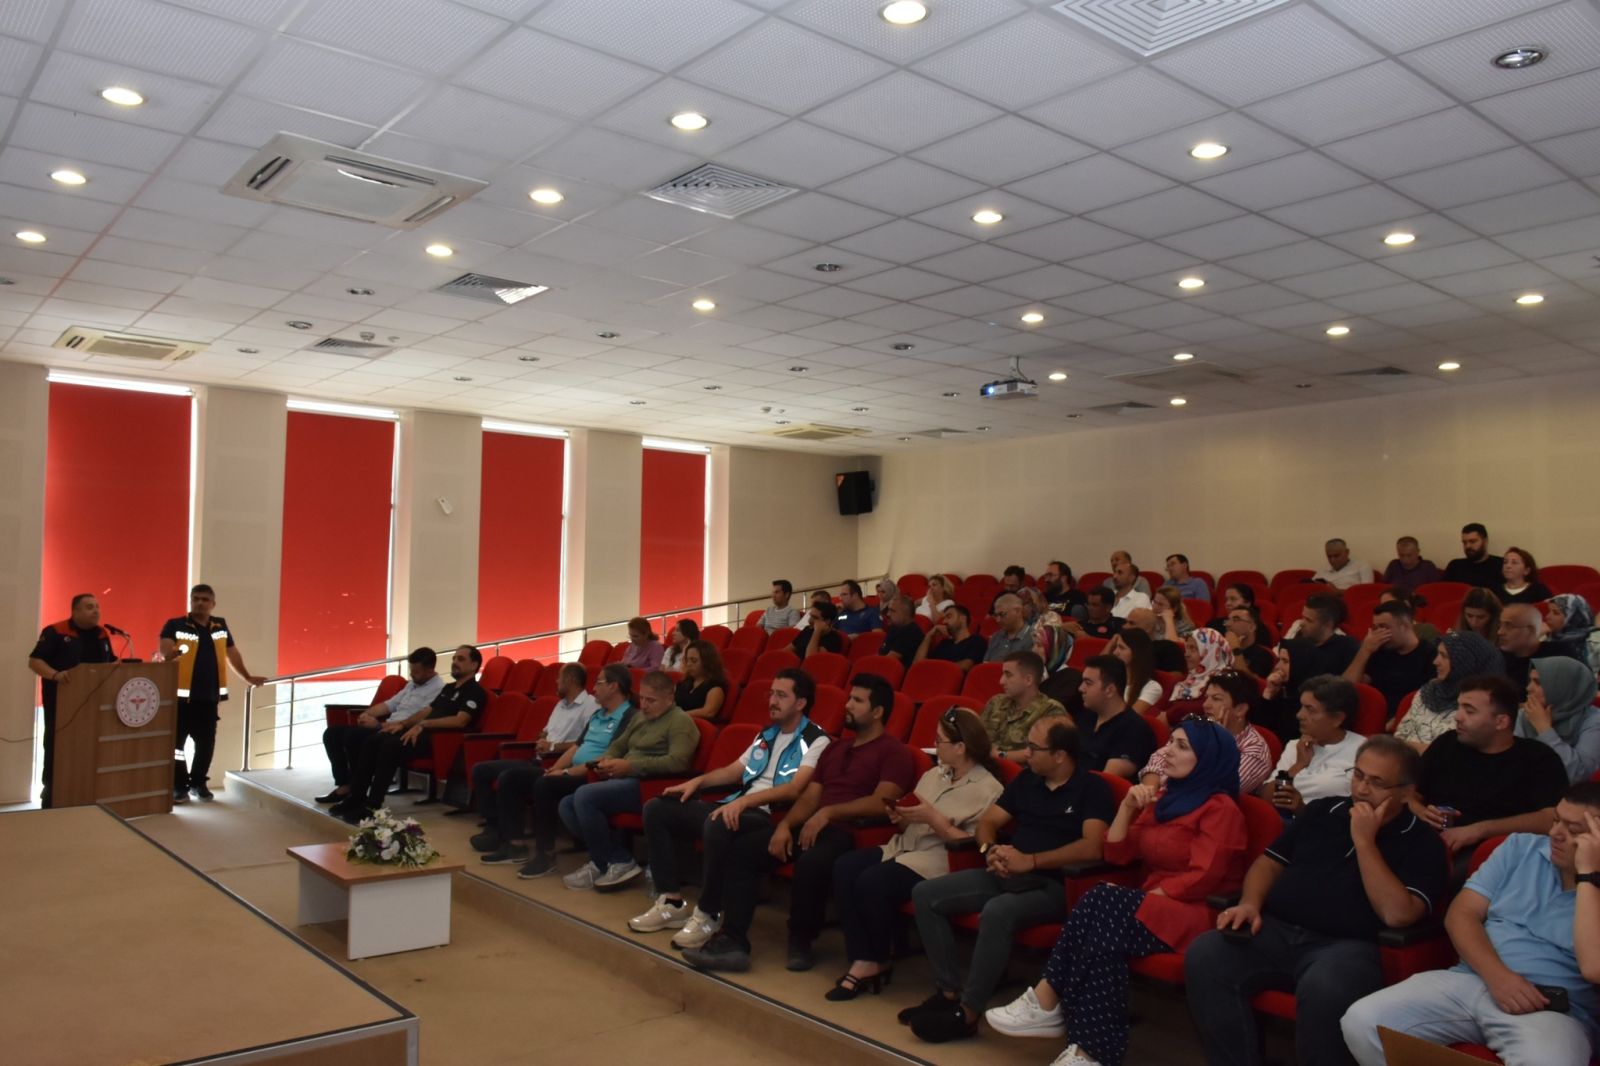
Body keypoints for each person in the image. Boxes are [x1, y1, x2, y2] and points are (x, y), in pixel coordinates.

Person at [988, 719, 1249, 1066]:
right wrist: (1127, 806)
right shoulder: (1165, 799)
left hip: (1195, 912)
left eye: (1182, 746)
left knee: (1103, 903)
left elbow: (1204, 877)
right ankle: (1088, 1052)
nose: (1168, 751)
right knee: (1104, 934)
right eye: (1170, 742)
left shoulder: (1221, 809)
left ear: (1208, 757)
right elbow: (1117, 852)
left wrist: (1147, 898)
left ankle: (1049, 1002)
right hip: (1150, 904)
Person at [1186, 735, 1448, 1066]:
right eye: (1358, 775)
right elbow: (1269, 863)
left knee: (1326, 985)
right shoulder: (1323, 810)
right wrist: (1250, 903)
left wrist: (1364, 841)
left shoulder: (1423, 842)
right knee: (1207, 953)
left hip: (1348, 947)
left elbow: (1398, 915)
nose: (1362, 789)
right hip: (1278, 930)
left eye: (1377, 783)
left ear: (1407, 792)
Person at [1342, 781, 1600, 1066]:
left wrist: (1587, 874)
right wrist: (1498, 977)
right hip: (1472, 979)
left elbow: (1594, 967)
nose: (1554, 833)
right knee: (1362, 1020)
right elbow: (1460, 915)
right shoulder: (1519, 848)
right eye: (1556, 821)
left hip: (1550, 1008)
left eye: (1573, 829)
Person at [903, 714, 1116, 1044]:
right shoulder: (1028, 780)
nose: (1025, 754)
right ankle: (947, 992)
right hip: (1007, 871)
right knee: (926, 894)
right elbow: (988, 822)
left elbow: (1092, 848)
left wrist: (1031, 861)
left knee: (998, 911)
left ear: (1060, 755)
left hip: (1055, 885)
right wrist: (990, 851)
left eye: (1034, 748)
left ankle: (968, 1013)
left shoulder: (1092, 788)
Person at [683, 673, 915, 973]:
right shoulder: (836, 748)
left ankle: (801, 940)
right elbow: (810, 797)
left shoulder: (894, 752)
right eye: (849, 698)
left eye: (857, 700)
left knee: (812, 862)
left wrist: (828, 813)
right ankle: (732, 941)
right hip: (811, 825)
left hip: (853, 833)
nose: (847, 705)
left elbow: (883, 802)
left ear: (878, 711)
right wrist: (784, 826)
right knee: (742, 851)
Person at [629, 668, 829, 947]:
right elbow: (734, 771)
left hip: (767, 815)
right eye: (771, 693)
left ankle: (708, 912)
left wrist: (745, 801)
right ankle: (671, 902)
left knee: (718, 821)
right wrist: (697, 782)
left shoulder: (817, 739)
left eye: (781, 695)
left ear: (801, 703)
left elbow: (795, 788)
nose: (772, 701)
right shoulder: (767, 734)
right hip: (735, 806)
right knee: (657, 808)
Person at [827, 707, 1003, 1000]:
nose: (935, 746)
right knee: (845, 867)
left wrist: (934, 819)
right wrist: (901, 815)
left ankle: (876, 959)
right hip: (904, 846)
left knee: (872, 881)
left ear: (960, 747)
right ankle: (863, 955)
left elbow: (972, 844)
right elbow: (911, 818)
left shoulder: (988, 789)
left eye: (940, 741)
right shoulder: (934, 774)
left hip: (937, 858)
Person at [473, 664, 634, 874]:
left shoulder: (628, 716)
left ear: (613, 686)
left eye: (598, 683)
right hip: (571, 770)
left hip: (596, 776)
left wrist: (564, 773)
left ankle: (545, 855)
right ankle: (514, 845)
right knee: (511, 778)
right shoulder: (598, 715)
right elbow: (577, 746)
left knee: (545, 785)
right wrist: (555, 769)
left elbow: (609, 756)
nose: (594, 688)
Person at [559, 669, 699, 891]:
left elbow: (678, 763)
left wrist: (631, 766)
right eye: (642, 698)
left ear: (669, 698)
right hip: (626, 779)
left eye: (651, 700)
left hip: (651, 787)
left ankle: (612, 862)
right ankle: (611, 859)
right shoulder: (640, 717)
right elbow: (618, 745)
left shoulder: (680, 721)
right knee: (567, 804)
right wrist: (607, 761)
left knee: (585, 796)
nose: (644, 705)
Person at [1410, 674, 1566, 863]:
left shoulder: (1538, 758)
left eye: (1469, 711)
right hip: (1427, 837)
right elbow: (1408, 794)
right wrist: (1421, 811)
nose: (1457, 717)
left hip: (1495, 853)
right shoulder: (1447, 743)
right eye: (1459, 707)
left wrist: (1480, 830)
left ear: (1501, 722)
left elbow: (1551, 819)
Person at [331, 645, 486, 824]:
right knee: (374, 740)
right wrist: (403, 724)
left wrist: (424, 724)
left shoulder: (475, 691)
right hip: (419, 732)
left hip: (439, 740)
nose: (455, 662)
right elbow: (427, 710)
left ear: (474, 665)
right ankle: (356, 797)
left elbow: (461, 721)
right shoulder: (449, 688)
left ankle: (373, 805)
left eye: (461, 659)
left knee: (389, 746)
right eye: (454, 658)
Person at [159, 583, 266, 803]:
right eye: (196, 598)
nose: (200, 603)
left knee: (205, 745)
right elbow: (165, 650)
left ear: (213, 604)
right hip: (180, 699)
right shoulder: (175, 624)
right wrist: (170, 654)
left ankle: (198, 783)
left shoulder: (220, 626)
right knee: (176, 746)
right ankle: (179, 786)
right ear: (190, 601)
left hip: (208, 697)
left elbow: (232, 653)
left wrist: (247, 677)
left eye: (205, 599)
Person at [317, 647, 445, 807]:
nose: (412, 674)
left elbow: (419, 718)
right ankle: (345, 784)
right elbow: (390, 704)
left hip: (401, 729)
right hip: (388, 725)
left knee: (354, 737)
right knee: (332, 734)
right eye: (411, 670)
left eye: (416, 671)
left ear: (429, 670)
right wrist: (367, 714)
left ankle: (356, 789)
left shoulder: (439, 689)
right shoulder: (413, 684)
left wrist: (379, 724)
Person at [28, 593, 120, 808]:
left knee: (90, 750)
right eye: (89, 607)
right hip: (61, 703)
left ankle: (86, 795)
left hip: (96, 705)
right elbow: (35, 661)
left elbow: (110, 662)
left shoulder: (102, 634)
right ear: (75, 611)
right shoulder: (56, 631)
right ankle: (51, 797)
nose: (95, 611)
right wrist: (55, 675)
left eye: (97, 606)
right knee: (58, 749)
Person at [1141, 670, 1275, 796]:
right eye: (1207, 697)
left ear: (1240, 709)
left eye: (1216, 699)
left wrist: (1217, 742)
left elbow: (1213, 789)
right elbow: (1159, 758)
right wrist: (1150, 790)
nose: (1206, 705)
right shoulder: (1200, 727)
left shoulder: (1254, 752)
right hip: (1161, 798)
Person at [1263, 675, 1365, 816]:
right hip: (1284, 820)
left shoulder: (1363, 752)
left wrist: (1302, 810)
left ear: (1337, 718)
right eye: (1301, 707)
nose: (1299, 715)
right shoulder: (1295, 746)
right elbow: (1266, 799)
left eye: (1310, 709)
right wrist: (1298, 766)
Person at [1396, 631, 1504, 752]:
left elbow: (1458, 755)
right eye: (1438, 654)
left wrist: (1414, 749)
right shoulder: (1428, 692)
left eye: (1444, 656)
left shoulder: (1485, 705)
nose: (1435, 661)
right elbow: (1399, 739)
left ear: (1465, 662)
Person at [1341, 601, 1437, 716]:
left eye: (1384, 627)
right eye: (1376, 628)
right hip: (1375, 715)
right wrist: (1364, 651)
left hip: (1409, 717)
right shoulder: (1379, 650)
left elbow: (1431, 700)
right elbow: (1344, 690)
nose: (1379, 633)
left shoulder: (1431, 654)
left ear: (1405, 626)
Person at [1075, 655, 1158, 781]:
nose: (1081, 688)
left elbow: (1107, 781)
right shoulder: (1087, 715)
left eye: (1088, 683)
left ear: (1110, 690)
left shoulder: (1134, 729)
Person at [1518, 657, 1600, 784]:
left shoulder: (1594, 720)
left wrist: (1544, 729)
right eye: (1530, 681)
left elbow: (1578, 775)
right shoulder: (1525, 715)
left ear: (1562, 686)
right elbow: (1513, 766)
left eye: (1538, 682)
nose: (1528, 688)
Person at [980, 651, 1066, 761]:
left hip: (1022, 770)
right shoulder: (996, 702)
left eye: (1008, 675)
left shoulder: (1050, 710)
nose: (1001, 681)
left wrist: (999, 755)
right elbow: (976, 740)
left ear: (1028, 680)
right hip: (984, 766)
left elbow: (1038, 755)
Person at [1500, 603, 1579, 695]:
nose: (1500, 632)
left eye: (1508, 626)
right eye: (1500, 625)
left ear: (1530, 630)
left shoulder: (1559, 654)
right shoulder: (1497, 657)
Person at [1291, 594, 1360, 677]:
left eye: (1308, 620)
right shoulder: (1299, 640)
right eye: (1303, 617)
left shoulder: (1347, 647)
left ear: (1327, 625)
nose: (1301, 623)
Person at [1167, 628, 1234, 713]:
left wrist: (1168, 715)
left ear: (1211, 652)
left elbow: (1198, 709)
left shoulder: (1224, 682)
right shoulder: (1185, 679)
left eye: (1193, 649)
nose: (1186, 654)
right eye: (1187, 648)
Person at [914, 603, 986, 670]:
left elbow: (967, 665)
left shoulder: (976, 640)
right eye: (944, 618)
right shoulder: (944, 643)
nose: (944, 622)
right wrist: (929, 635)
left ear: (963, 619)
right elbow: (917, 665)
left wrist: (938, 670)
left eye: (949, 617)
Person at [1034, 620, 1084, 713]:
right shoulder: (1036, 672)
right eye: (1034, 645)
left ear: (1054, 648)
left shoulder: (1072, 678)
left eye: (1039, 645)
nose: (1034, 650)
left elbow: (1051, 709)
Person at [1106, 628, 1161, 713]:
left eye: (1121, 648)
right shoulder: (1111, 678)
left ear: (1136, 652)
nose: (1115, 652)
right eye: (1116, 647)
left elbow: (1129, 718)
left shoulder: (1152, 687)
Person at [675, 640, 728, 722]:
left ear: (707, 662)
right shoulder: (684, 682)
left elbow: (708, 712)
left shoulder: (715, 686)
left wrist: (678, 715)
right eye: (687, 660)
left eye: (694, 660)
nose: (688, 664)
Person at [1124, 607, 1187, 672]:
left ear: (1148, 629)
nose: (1124, 626)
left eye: (1131, 623)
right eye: (1126, 622)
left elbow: (1175, 676)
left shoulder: (1166, 649)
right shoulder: (1121, 647)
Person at [1445, 522, 1504, 589]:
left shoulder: (1501, 565)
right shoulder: (1455, 566)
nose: (1468, 546)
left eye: (1472, 541)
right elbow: (1442, 591)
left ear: (1485, 541)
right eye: (1464, 542)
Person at [1545, 593, 1597, 668]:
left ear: (1573, 618)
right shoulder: (1546, 637)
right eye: (1549, 611)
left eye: (1556, 613)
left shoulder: (1593, 642)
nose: (1547, 617)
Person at [1223, 605, 1276, 678]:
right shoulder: (1220, 649)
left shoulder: (1263, 655)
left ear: (1252, 627)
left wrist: (1235, 648)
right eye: (1228, 620)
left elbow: (1249, 681)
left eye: (1236, 620)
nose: (1228, 624)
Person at [877, 595, 923, 668]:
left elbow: (890, 660)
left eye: (892, 611)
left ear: (906, 614)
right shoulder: (895, 627)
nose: (888, 614)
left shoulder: (911, 632)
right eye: (888, 610)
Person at [985, 593, 1033, 662]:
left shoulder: (1033, 637)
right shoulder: (996, 637)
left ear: (1018, 611)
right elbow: (986, 664)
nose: (998, 620)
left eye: (1002, 614)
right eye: (996, 615)